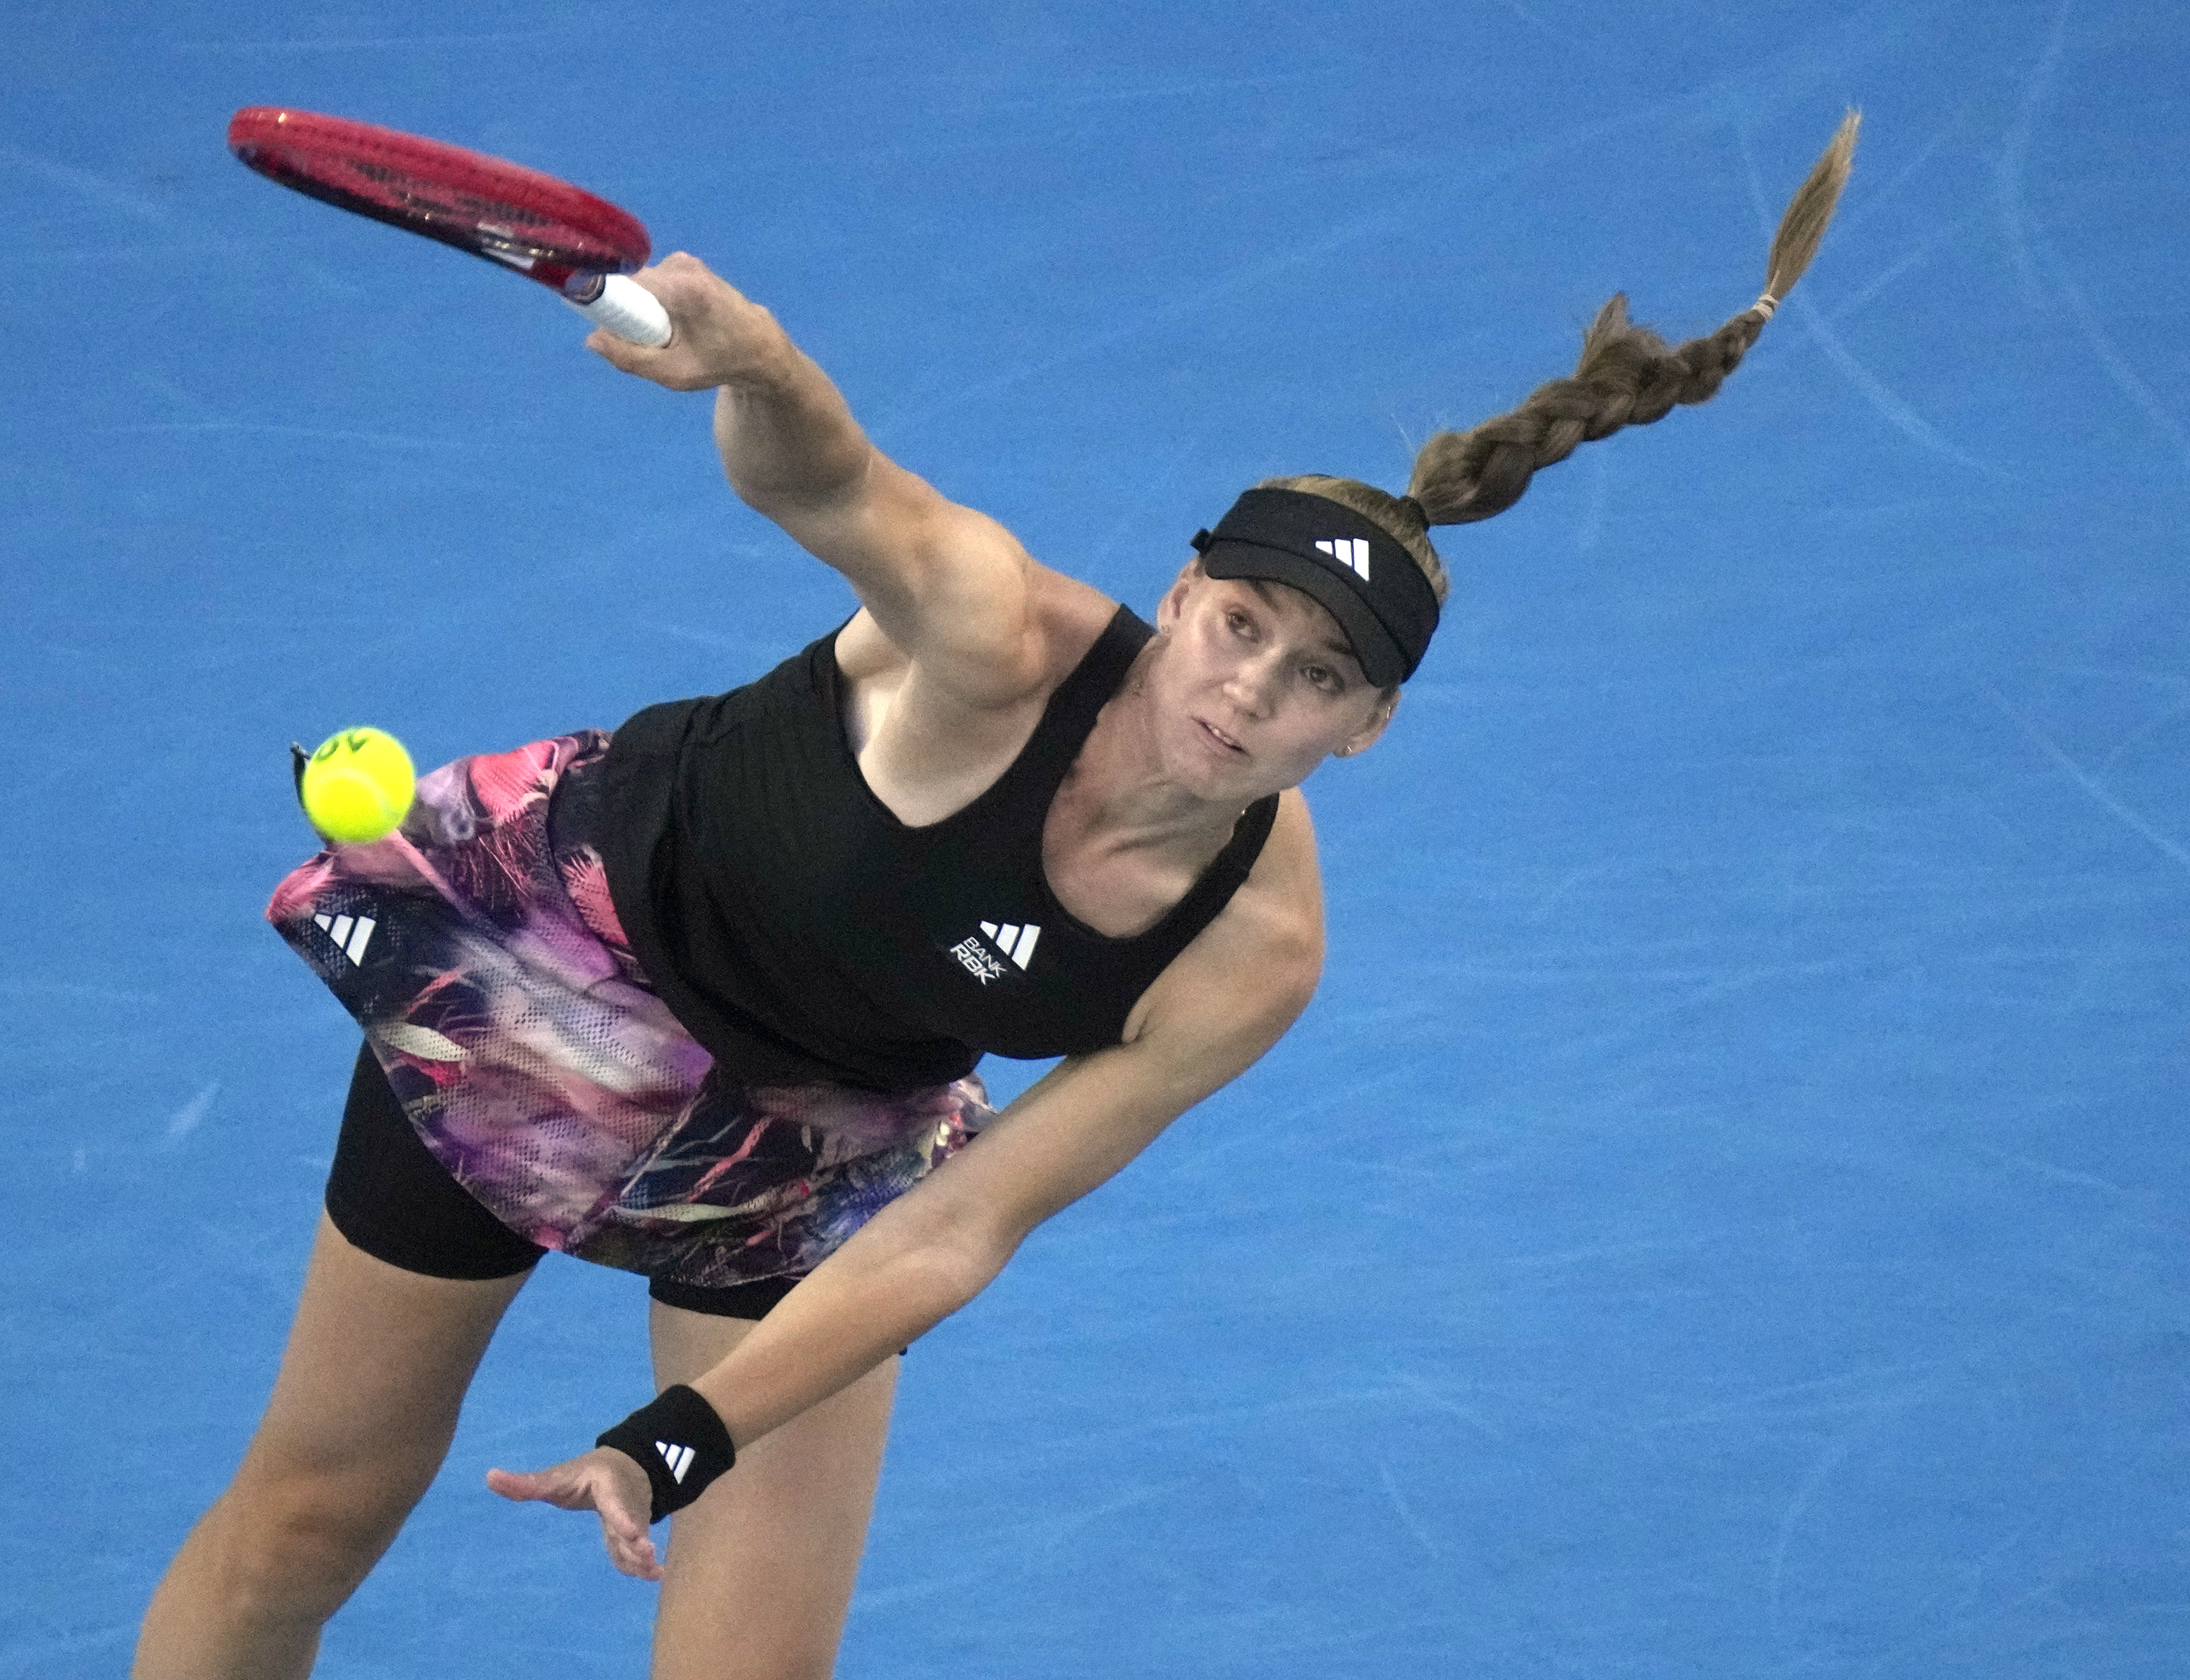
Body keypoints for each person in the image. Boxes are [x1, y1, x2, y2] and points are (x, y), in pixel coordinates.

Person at [132, 115, 1857, 1680]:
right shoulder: (990, 632)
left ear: (1368, 729)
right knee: (310, 1517)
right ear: (1183, 595)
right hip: (567, 976)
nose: (1250, 690)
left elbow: (959, 1224)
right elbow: (823, 481)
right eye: (1241, 625)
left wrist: (674, 1438)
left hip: (819, 1130)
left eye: (1316, 678)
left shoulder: (1250, 953)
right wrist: (765, 362)